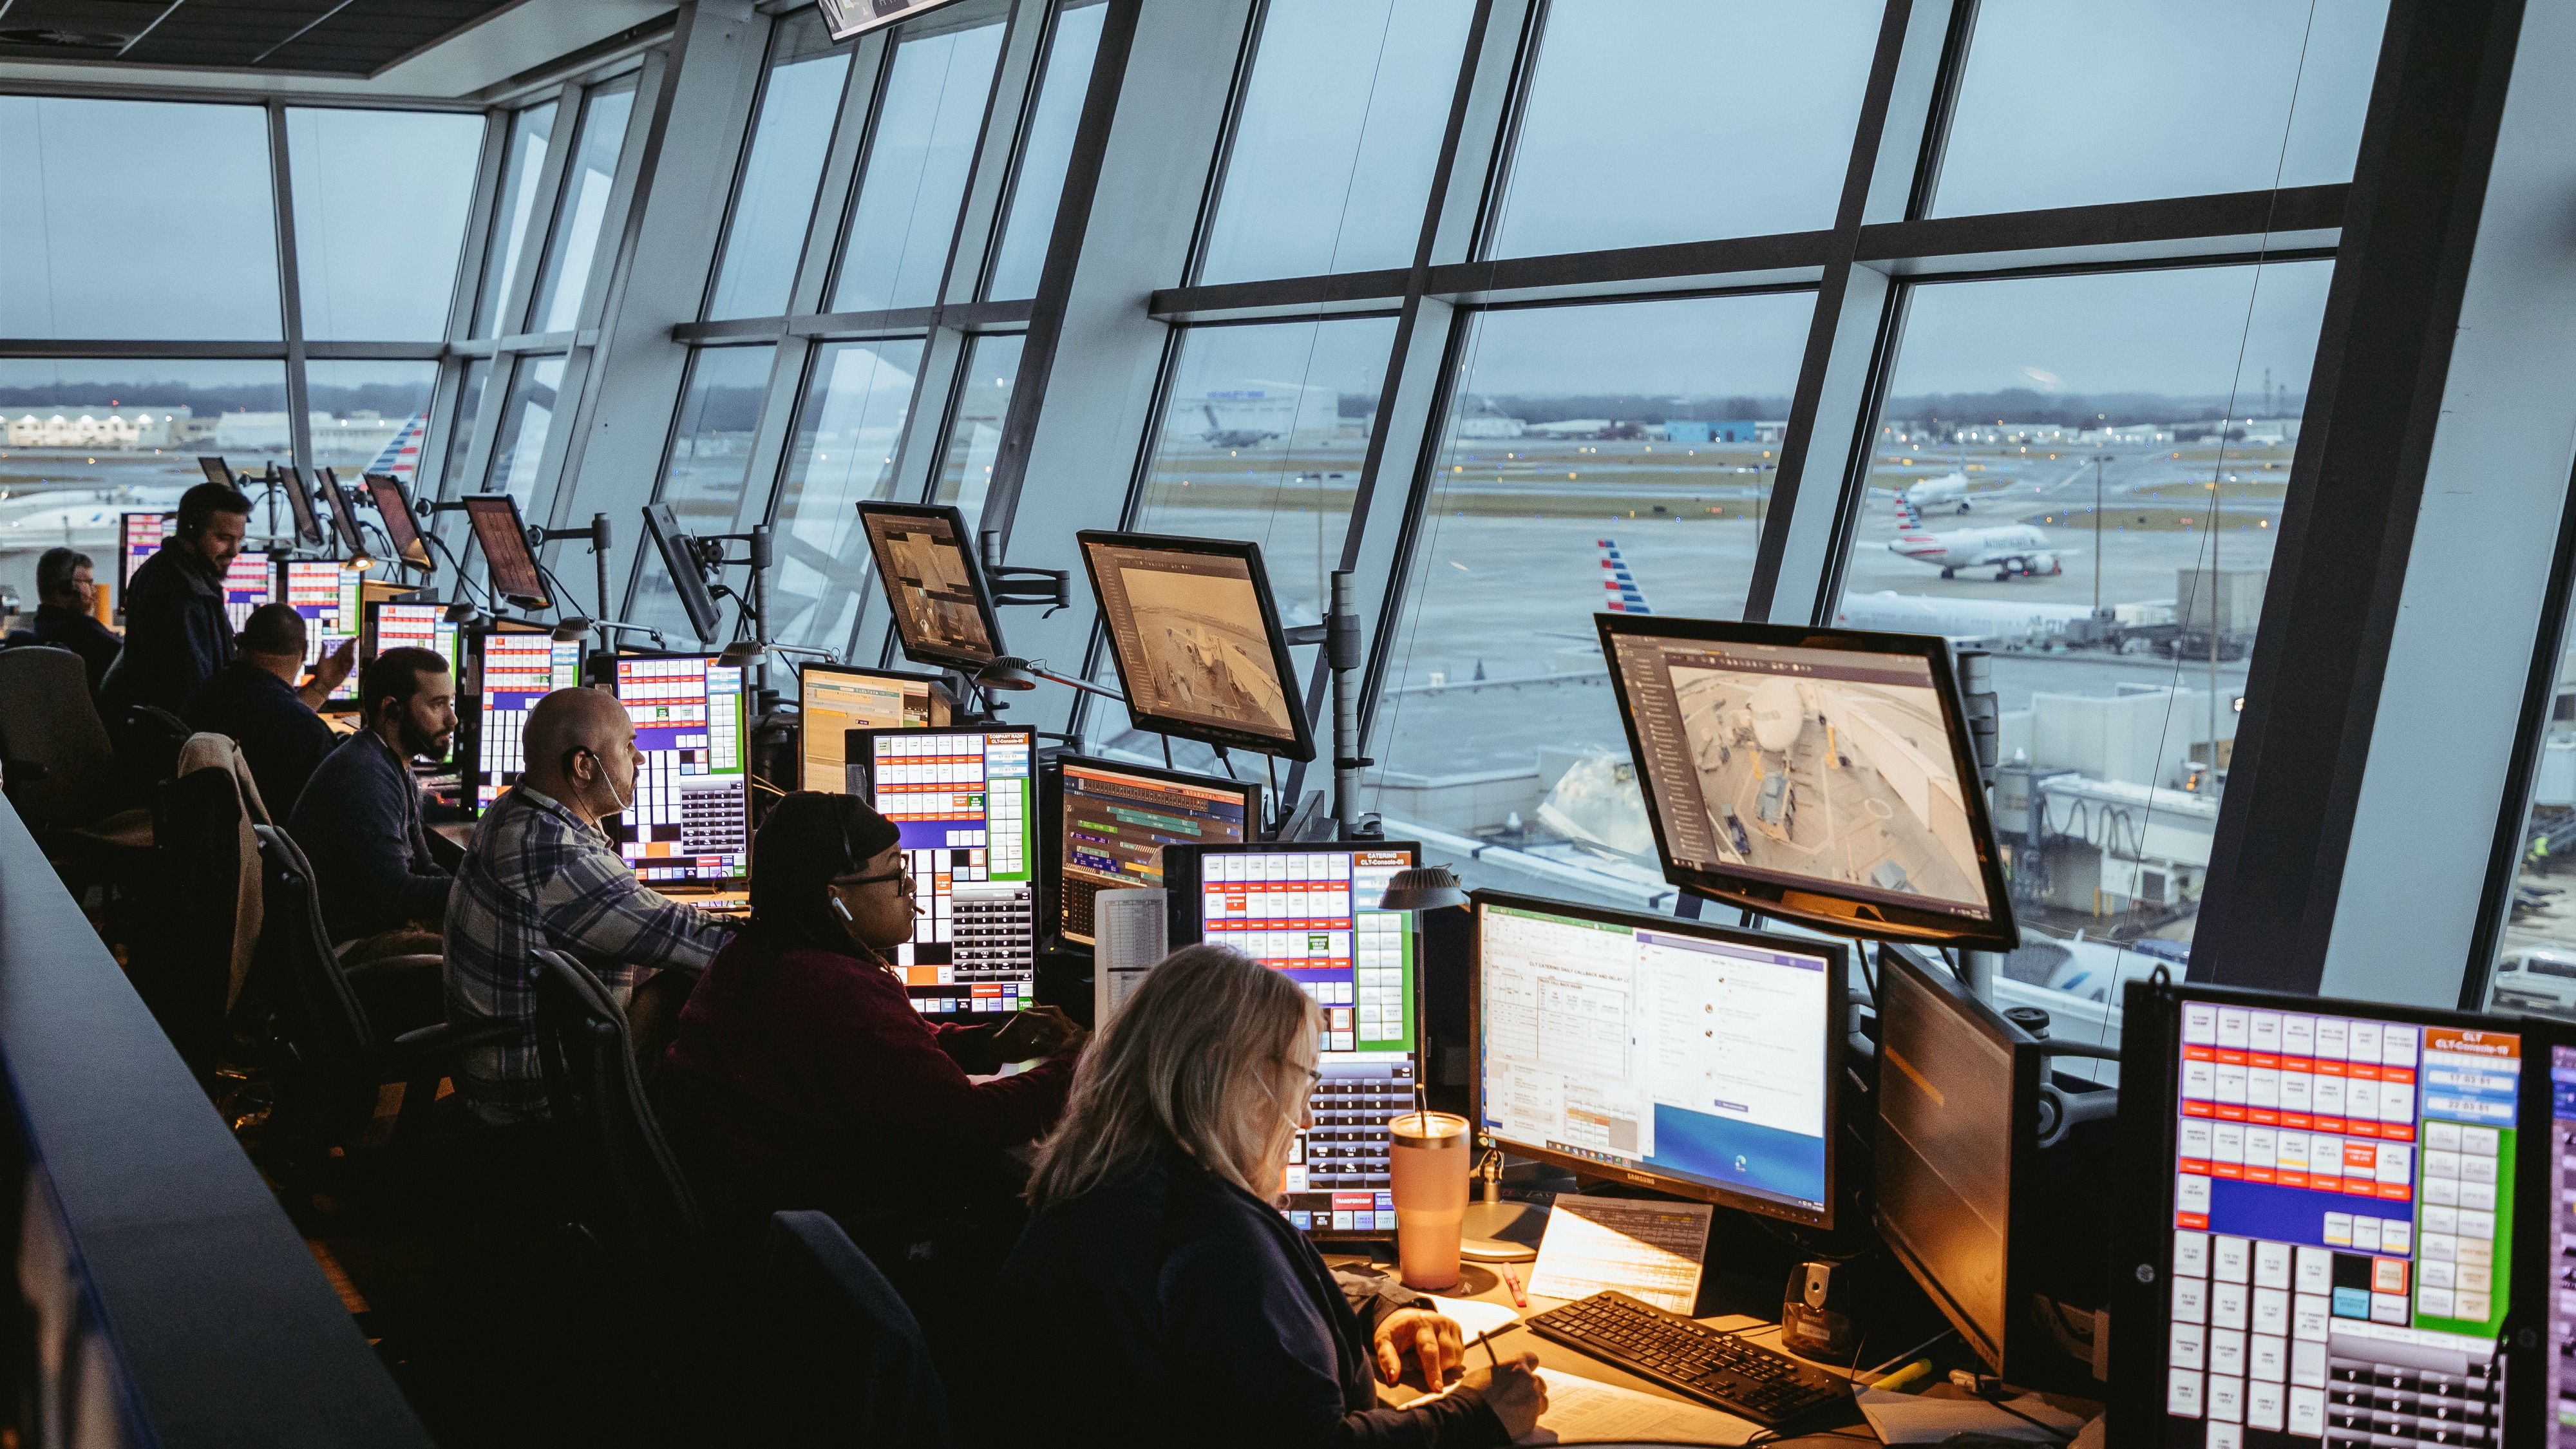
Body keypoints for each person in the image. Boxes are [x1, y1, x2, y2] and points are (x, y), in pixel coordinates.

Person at [985, 945, 1546, 1449]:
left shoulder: (1108, 1182)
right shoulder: (1212, 1237)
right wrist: (1477, 1416)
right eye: (1304, 1082)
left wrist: (1377, 1307)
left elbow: (1245, 1316)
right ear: (1245, 1079)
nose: (1304, 1117)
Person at [658, 791, 1085, 1349]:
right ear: (834, 898)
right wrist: (1084, 1065)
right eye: (895, 877)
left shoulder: (763, 953)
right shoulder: (832, 988)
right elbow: (967, 1126)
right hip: (826, 1241)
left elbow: (888, 1052)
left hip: (760, 1223)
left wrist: (986, 1046)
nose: (913, 893)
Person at [444, 685, 732, 1129]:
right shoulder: (562, 860)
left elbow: (640, 923)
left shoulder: (513, 809)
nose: (640, 760)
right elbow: (704, 943)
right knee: (714, 992)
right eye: (629, 746)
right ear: (583, 766)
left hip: (498, 1068)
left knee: (673, 976)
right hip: (537, 1102)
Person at [287, 645, 460, 967]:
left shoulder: (393, 762)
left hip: (376, 924)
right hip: (345, 948)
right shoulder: (365, 775)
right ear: (392, 710)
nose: (452, 719)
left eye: (450, 703)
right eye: (438, 705)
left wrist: (472, 888)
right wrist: (480, 891)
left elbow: (425, 865)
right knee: (479, 959)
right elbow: (393, 894)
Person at [181, 603, 350, 820]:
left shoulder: (204, 695)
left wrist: (322, 687)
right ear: (305, 651)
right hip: (274, 846)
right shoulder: (308, 733)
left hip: (212, 837)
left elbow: (271, 712)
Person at [101, 479, 251, 724]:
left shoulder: (170, 571)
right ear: (191, 531)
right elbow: (198, 692)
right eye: (224, 538)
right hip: (184, 742)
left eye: (239, 539)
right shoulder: (181, 594)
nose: (235, 551)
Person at [19, 548, 120, 694]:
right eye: (88, 582)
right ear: (66, 587)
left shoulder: (41, 626)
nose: (92, 591)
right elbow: (129, 658)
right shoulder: (84, 631)